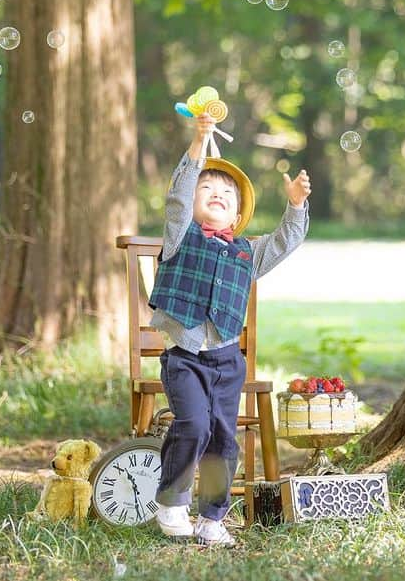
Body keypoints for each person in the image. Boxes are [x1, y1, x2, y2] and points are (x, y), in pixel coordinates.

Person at [149, 111, 311, 547]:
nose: (216, 193)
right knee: (194, 426)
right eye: (208, 187)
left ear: (239, 214)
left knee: (224, 439)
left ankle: (212, 518)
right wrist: (199, 144)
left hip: (226, 362)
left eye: (226, 193)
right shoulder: (180, 236)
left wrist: (295, 205)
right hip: (185, 358)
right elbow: (179, 197)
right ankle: (172, 501)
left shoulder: (248, 253)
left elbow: (284, 241)